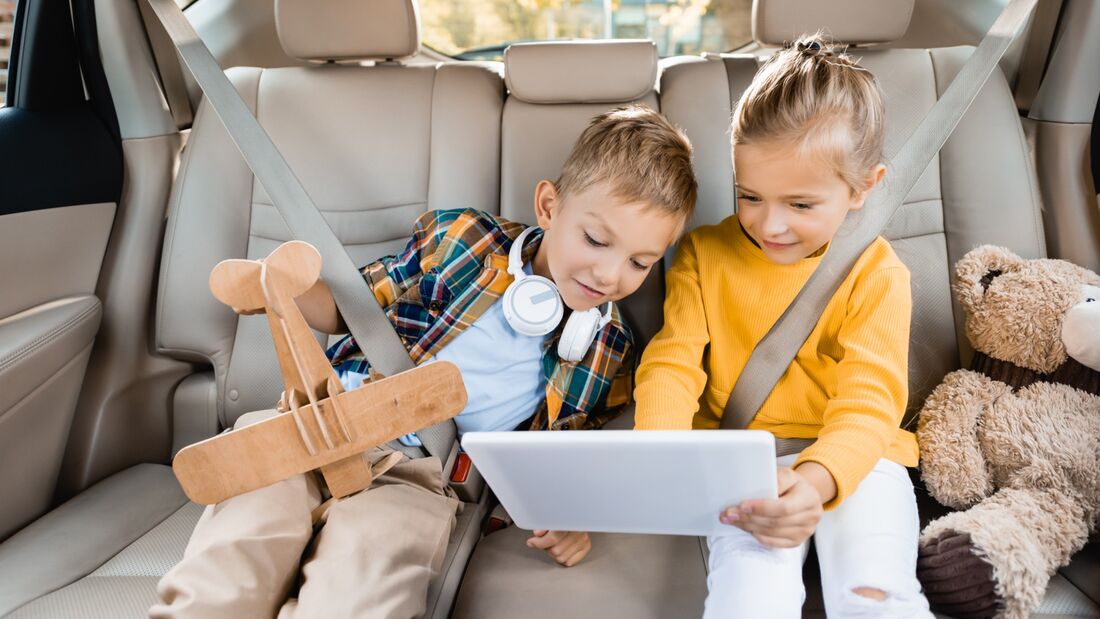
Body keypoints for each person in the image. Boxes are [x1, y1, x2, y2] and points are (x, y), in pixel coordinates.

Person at [152, 104, 697, 619]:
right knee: (230, 564)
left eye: (639, 262)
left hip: (422, 478)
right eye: (596, 240)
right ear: (549, 207)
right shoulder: (462, 241)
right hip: (316, 421)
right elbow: (352, 309)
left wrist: (576, 515)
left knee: (361, 592)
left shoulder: (608, 347)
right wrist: (288, 287)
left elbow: (574, 453)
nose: (609, 275)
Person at [633, 35, 933, 618]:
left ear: (863, 187)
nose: (770, 225)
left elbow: (870, 403)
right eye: (750, 196)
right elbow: (671, 364)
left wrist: (819, 480)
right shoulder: (703, 255)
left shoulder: (876, 273)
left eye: (800, 204)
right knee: (749, 596)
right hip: (743, 460)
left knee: (874, 592)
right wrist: (663, 457)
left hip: (859, 459)